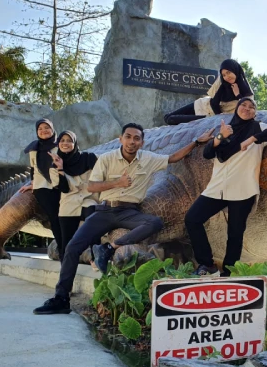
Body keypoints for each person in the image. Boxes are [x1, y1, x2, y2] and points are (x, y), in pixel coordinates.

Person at [33, 122, 214, 315]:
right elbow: (92, 187)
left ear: (142, 142)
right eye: (128, 137)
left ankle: (109, 248)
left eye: (136, 138)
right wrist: (117, 183)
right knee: (72, 247)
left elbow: (173, 157)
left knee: (154, 222)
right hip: (104, 212)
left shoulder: (148, 158)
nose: (132, 141)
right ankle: (61, 298)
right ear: (121, 139)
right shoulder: (107, 158)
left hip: (130, 211)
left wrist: (196, 141)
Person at [185, 97, 267, 275]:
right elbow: (208, 153)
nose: (247, 108)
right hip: (217, 187)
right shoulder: (225, 130)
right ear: (237, 108)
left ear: (255, 112)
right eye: (243, 105)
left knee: (235, 234)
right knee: (192, 219)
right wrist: (221, 136)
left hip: (243, 189)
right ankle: (207, 263)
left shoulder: (258, 127)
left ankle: (228, 273)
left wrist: (252, 139)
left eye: (251, 106)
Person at [48, 131, 99, 258]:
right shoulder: (54, 165)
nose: (65, 143)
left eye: (69, 140)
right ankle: (65, 273)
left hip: (89, 198)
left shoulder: (89, 158)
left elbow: (101, 177)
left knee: (93, 221)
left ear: (74, 143)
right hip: (69, 203)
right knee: (67, 243)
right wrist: (60, 168)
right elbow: (64, 189)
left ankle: (96, 259)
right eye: (62, 140)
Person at [19, 118, 64, 259]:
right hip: (42, 188)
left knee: (66, 216)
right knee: (54, 217)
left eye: (47, 128)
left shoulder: (61, 145)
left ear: (52, 129)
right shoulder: (34, 148)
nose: (44, 131)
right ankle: (63, 249)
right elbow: (34, 168)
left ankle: (68, 246)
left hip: (60, 185)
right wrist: (33, 183)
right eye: (40, 129)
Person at [163, 59, 254, 125]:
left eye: (229, 72)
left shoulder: (247, 92)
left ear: (235, 70)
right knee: (167, 117)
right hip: (202, 104)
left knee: (171, 120)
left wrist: (238, 94)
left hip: (209, 117)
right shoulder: (222, 83)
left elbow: (246, 110)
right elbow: (214, 102)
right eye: (224, 75)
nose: (227, 77)